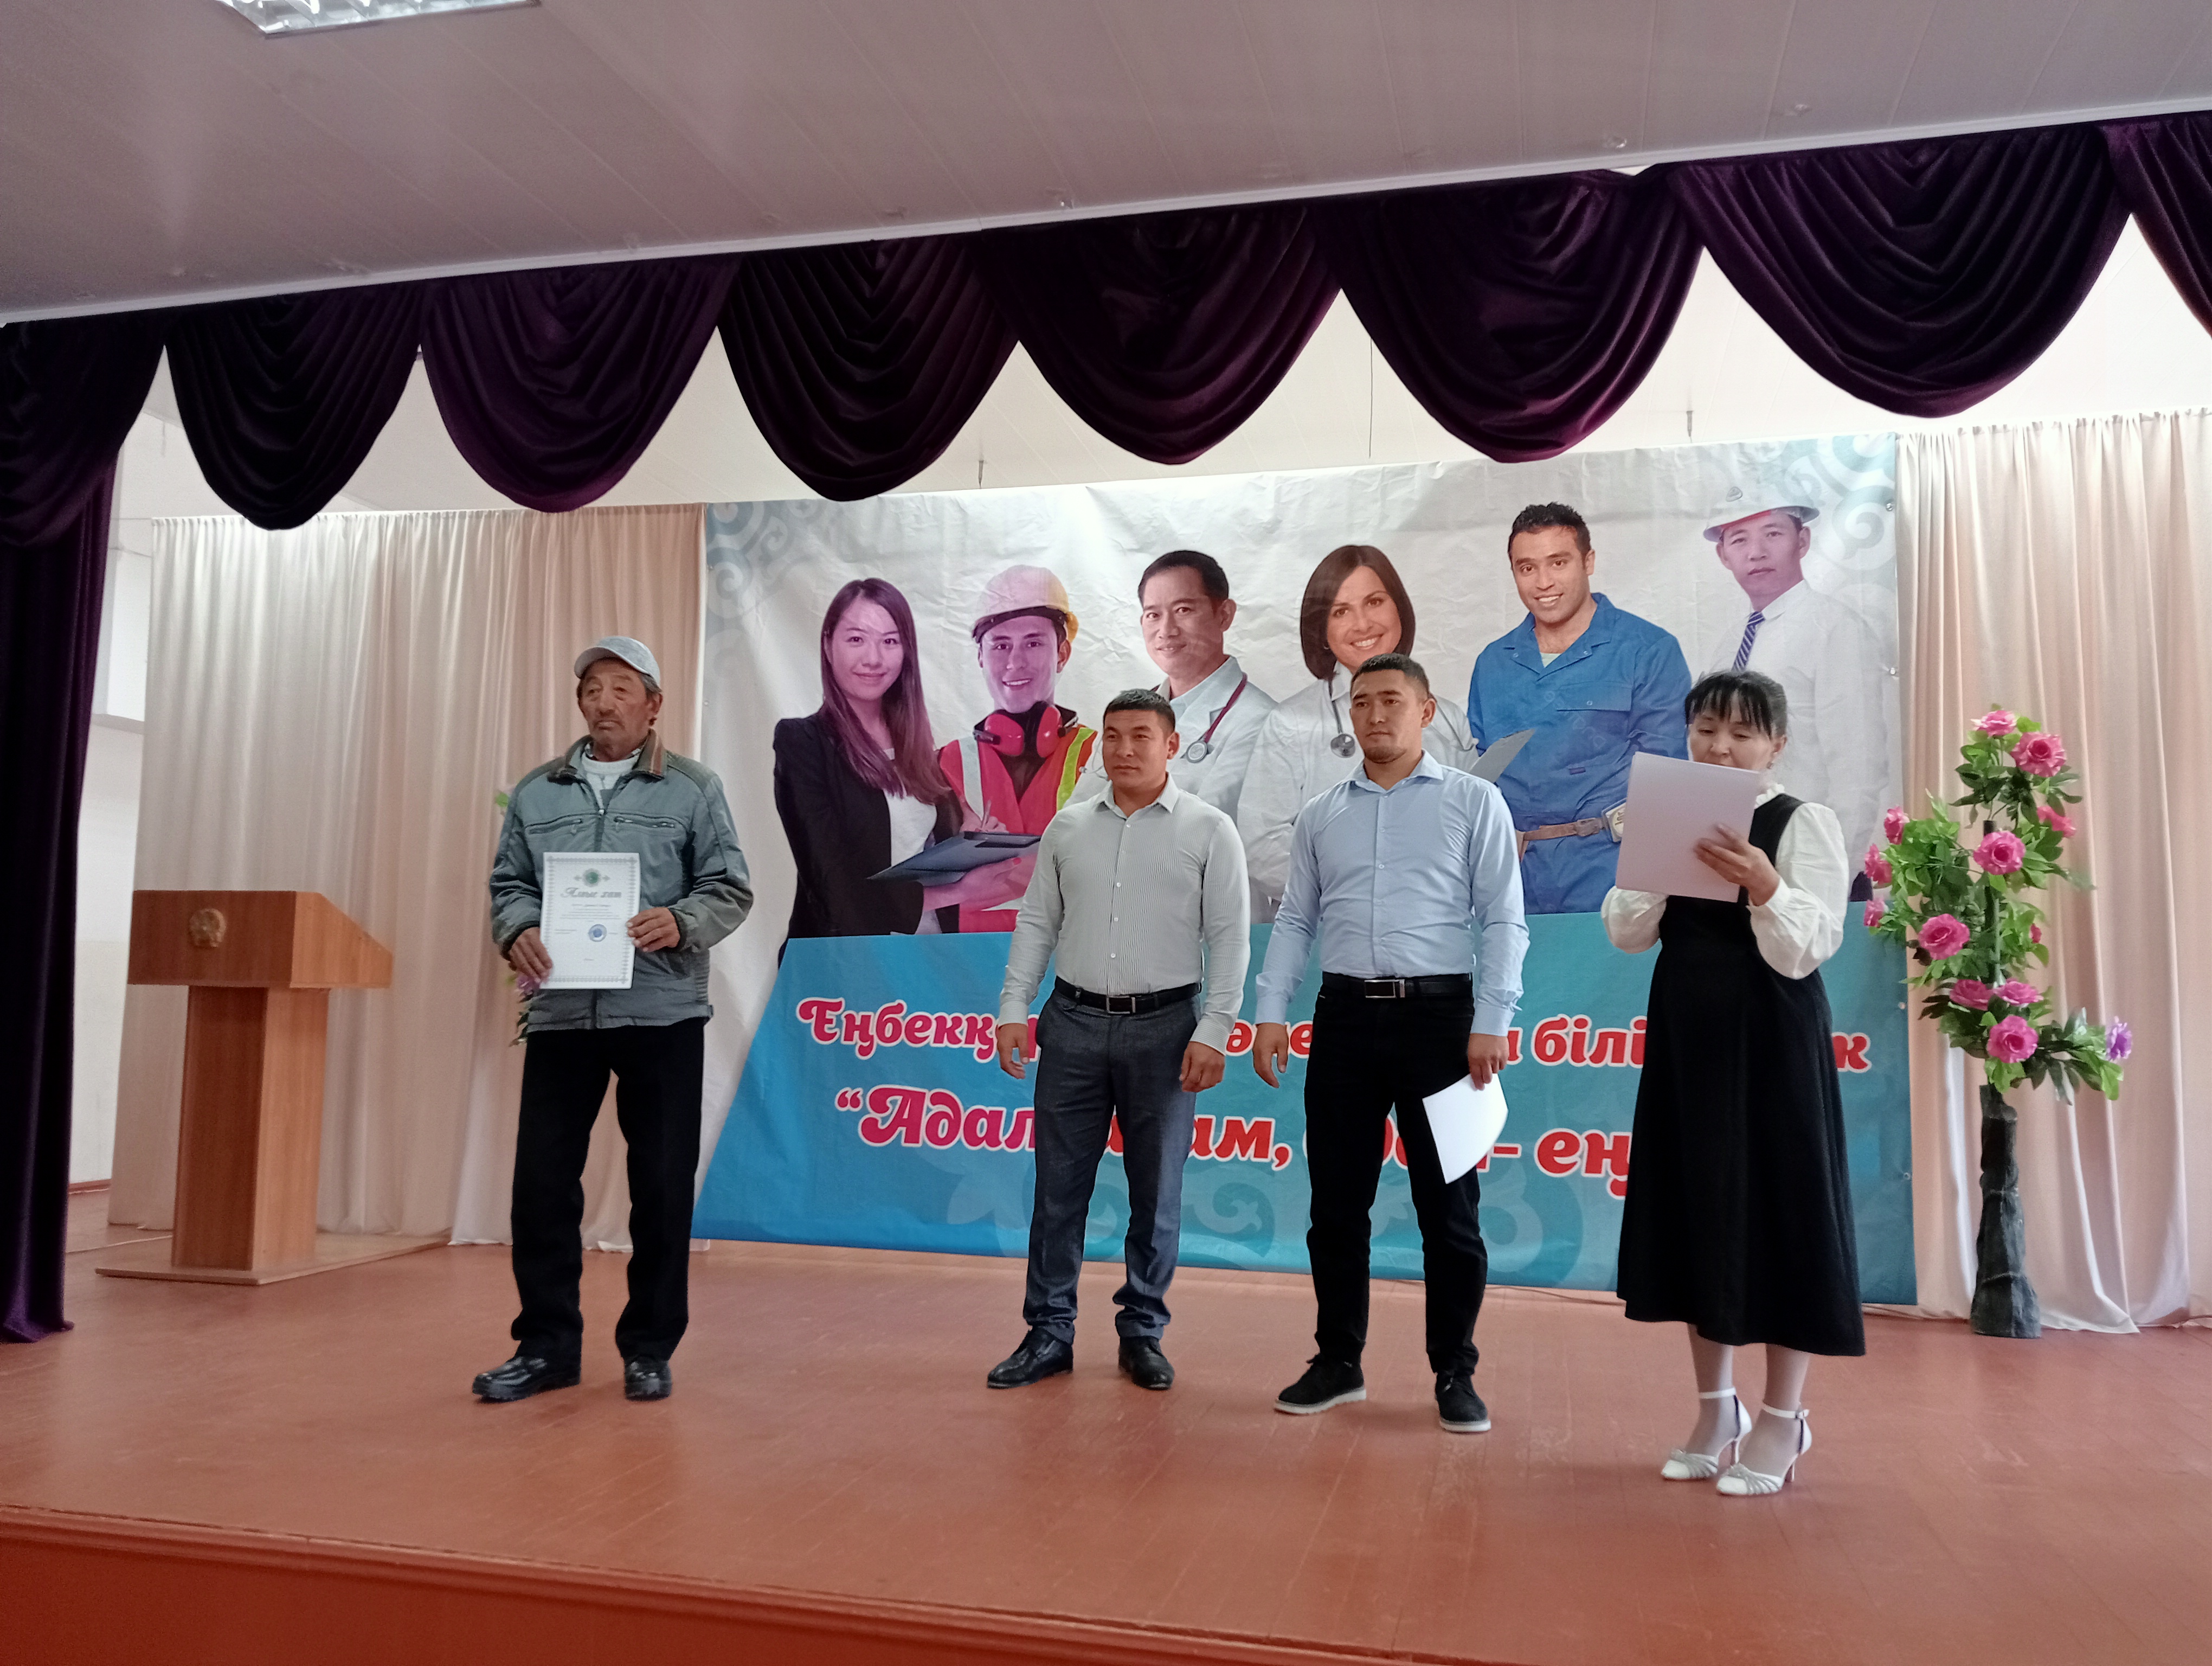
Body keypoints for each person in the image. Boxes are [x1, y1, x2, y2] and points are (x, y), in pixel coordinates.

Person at [1601, 669, 1861, 1496]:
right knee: (1696, 1214)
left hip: (1774, 1042)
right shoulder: (1669, 814)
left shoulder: (1799, 821)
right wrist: (1651, 859)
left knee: (1783, 1217)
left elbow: (1808, 946)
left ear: (1775, 744)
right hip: (1689, 1040)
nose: (1719, 748)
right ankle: (1717, 1410)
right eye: (1706, 730)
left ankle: (1784, 1419)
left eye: (1742, 734)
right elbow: (1627, 934)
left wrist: (1764, 883)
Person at [1251, 653, 1525, 1434]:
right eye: (1362, 702)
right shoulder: (1321, 814)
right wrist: (1270, 1012)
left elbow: (1503, 917)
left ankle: (1455, 1371)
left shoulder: (1474, 802)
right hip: (1343, 1020)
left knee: (1450, 1211)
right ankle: (1338, 1361)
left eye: (1392, 701)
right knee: (1337, 1207)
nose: (1375, 715)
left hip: (1443, 1024)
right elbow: (1296, 919)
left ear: (1426, 710)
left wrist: (1493, 1021)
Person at [479, 636, 753, 1405]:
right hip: (563, 1013)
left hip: (660, 1013)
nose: (604, 702)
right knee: (541, 1185)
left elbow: (729, 887)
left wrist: (680, 921)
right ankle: (546, 1348)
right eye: (593, 689)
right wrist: (518, 928)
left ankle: (649, 1349)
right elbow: (509, 885)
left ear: (654, 705)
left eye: (622, 688)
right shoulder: (539, 792)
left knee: (660, 1187)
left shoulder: (693, 789)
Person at [986, 689, 1250, 1392]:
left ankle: (1143, 1331)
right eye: (1112, 736)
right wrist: (1013, 1006)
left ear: (1172, 745)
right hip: (1071, 1023)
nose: (1124, 749)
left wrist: (1216, 1029)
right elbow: (1037, 923)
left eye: (1141, 736)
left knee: (1155, 1192)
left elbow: (1230, 938)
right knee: (1058, 1189)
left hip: (1167, 1029)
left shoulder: (1209, 830)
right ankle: (1049, 1332)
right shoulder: (1069, 829)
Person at [1467, 503, 1693, 915]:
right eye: (1527, 568)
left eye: (1559, 562)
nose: (1544, 583)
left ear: (1588, 562)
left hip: (1615, 877)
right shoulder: (1493, 663)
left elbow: (1667, 780)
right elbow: (1485, 779)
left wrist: (1658, 897)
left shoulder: (1648, 650)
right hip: (1516, 883)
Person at [773, 579, 1027, 939]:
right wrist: (958, 892)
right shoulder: (803, 743)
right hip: (846, 959)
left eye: (890, 641)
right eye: (856, 639)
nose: (874, 659)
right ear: (828, 645)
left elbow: (926, 852)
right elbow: (835, 888)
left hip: (927, 954)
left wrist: (971, 839)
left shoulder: (918, 749)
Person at [1237, 546, 1481, 916]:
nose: (1363, 624)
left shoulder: (1446, 717)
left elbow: (1474, 827)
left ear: (1399, 609)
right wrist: (1358, 891)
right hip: (1334, 928)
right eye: (1341, 611)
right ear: (1322, 631)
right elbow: (1261, 843)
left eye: (1375, 602)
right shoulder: (1291, 723)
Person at [1702, 489, 1893, 864]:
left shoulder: (1836, 629)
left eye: (1772, 534)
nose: (1756, 552)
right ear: (1724, 555)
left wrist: (1834, 875)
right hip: (1742, 855)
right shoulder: (1732, 641)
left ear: (1802, 541)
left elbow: (1858, 770)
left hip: (1806, 853)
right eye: (1739, 540)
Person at [939, 565, 1098, 932]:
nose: (1015, 662)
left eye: (1033, 642)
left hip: (1075, 957)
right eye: (1000, 645)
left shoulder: (1101, 756)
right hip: (970, 960)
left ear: (1062, 653)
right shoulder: (945, 763)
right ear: (981, 657)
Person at [1131, 549, 1277, 823]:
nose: (1166, 630)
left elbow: (1195, 830)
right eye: (1153, 615)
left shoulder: (1264, 723)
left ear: (1224, 615)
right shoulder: (1128, 713)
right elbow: (1076, 818)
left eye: (1183, 610)